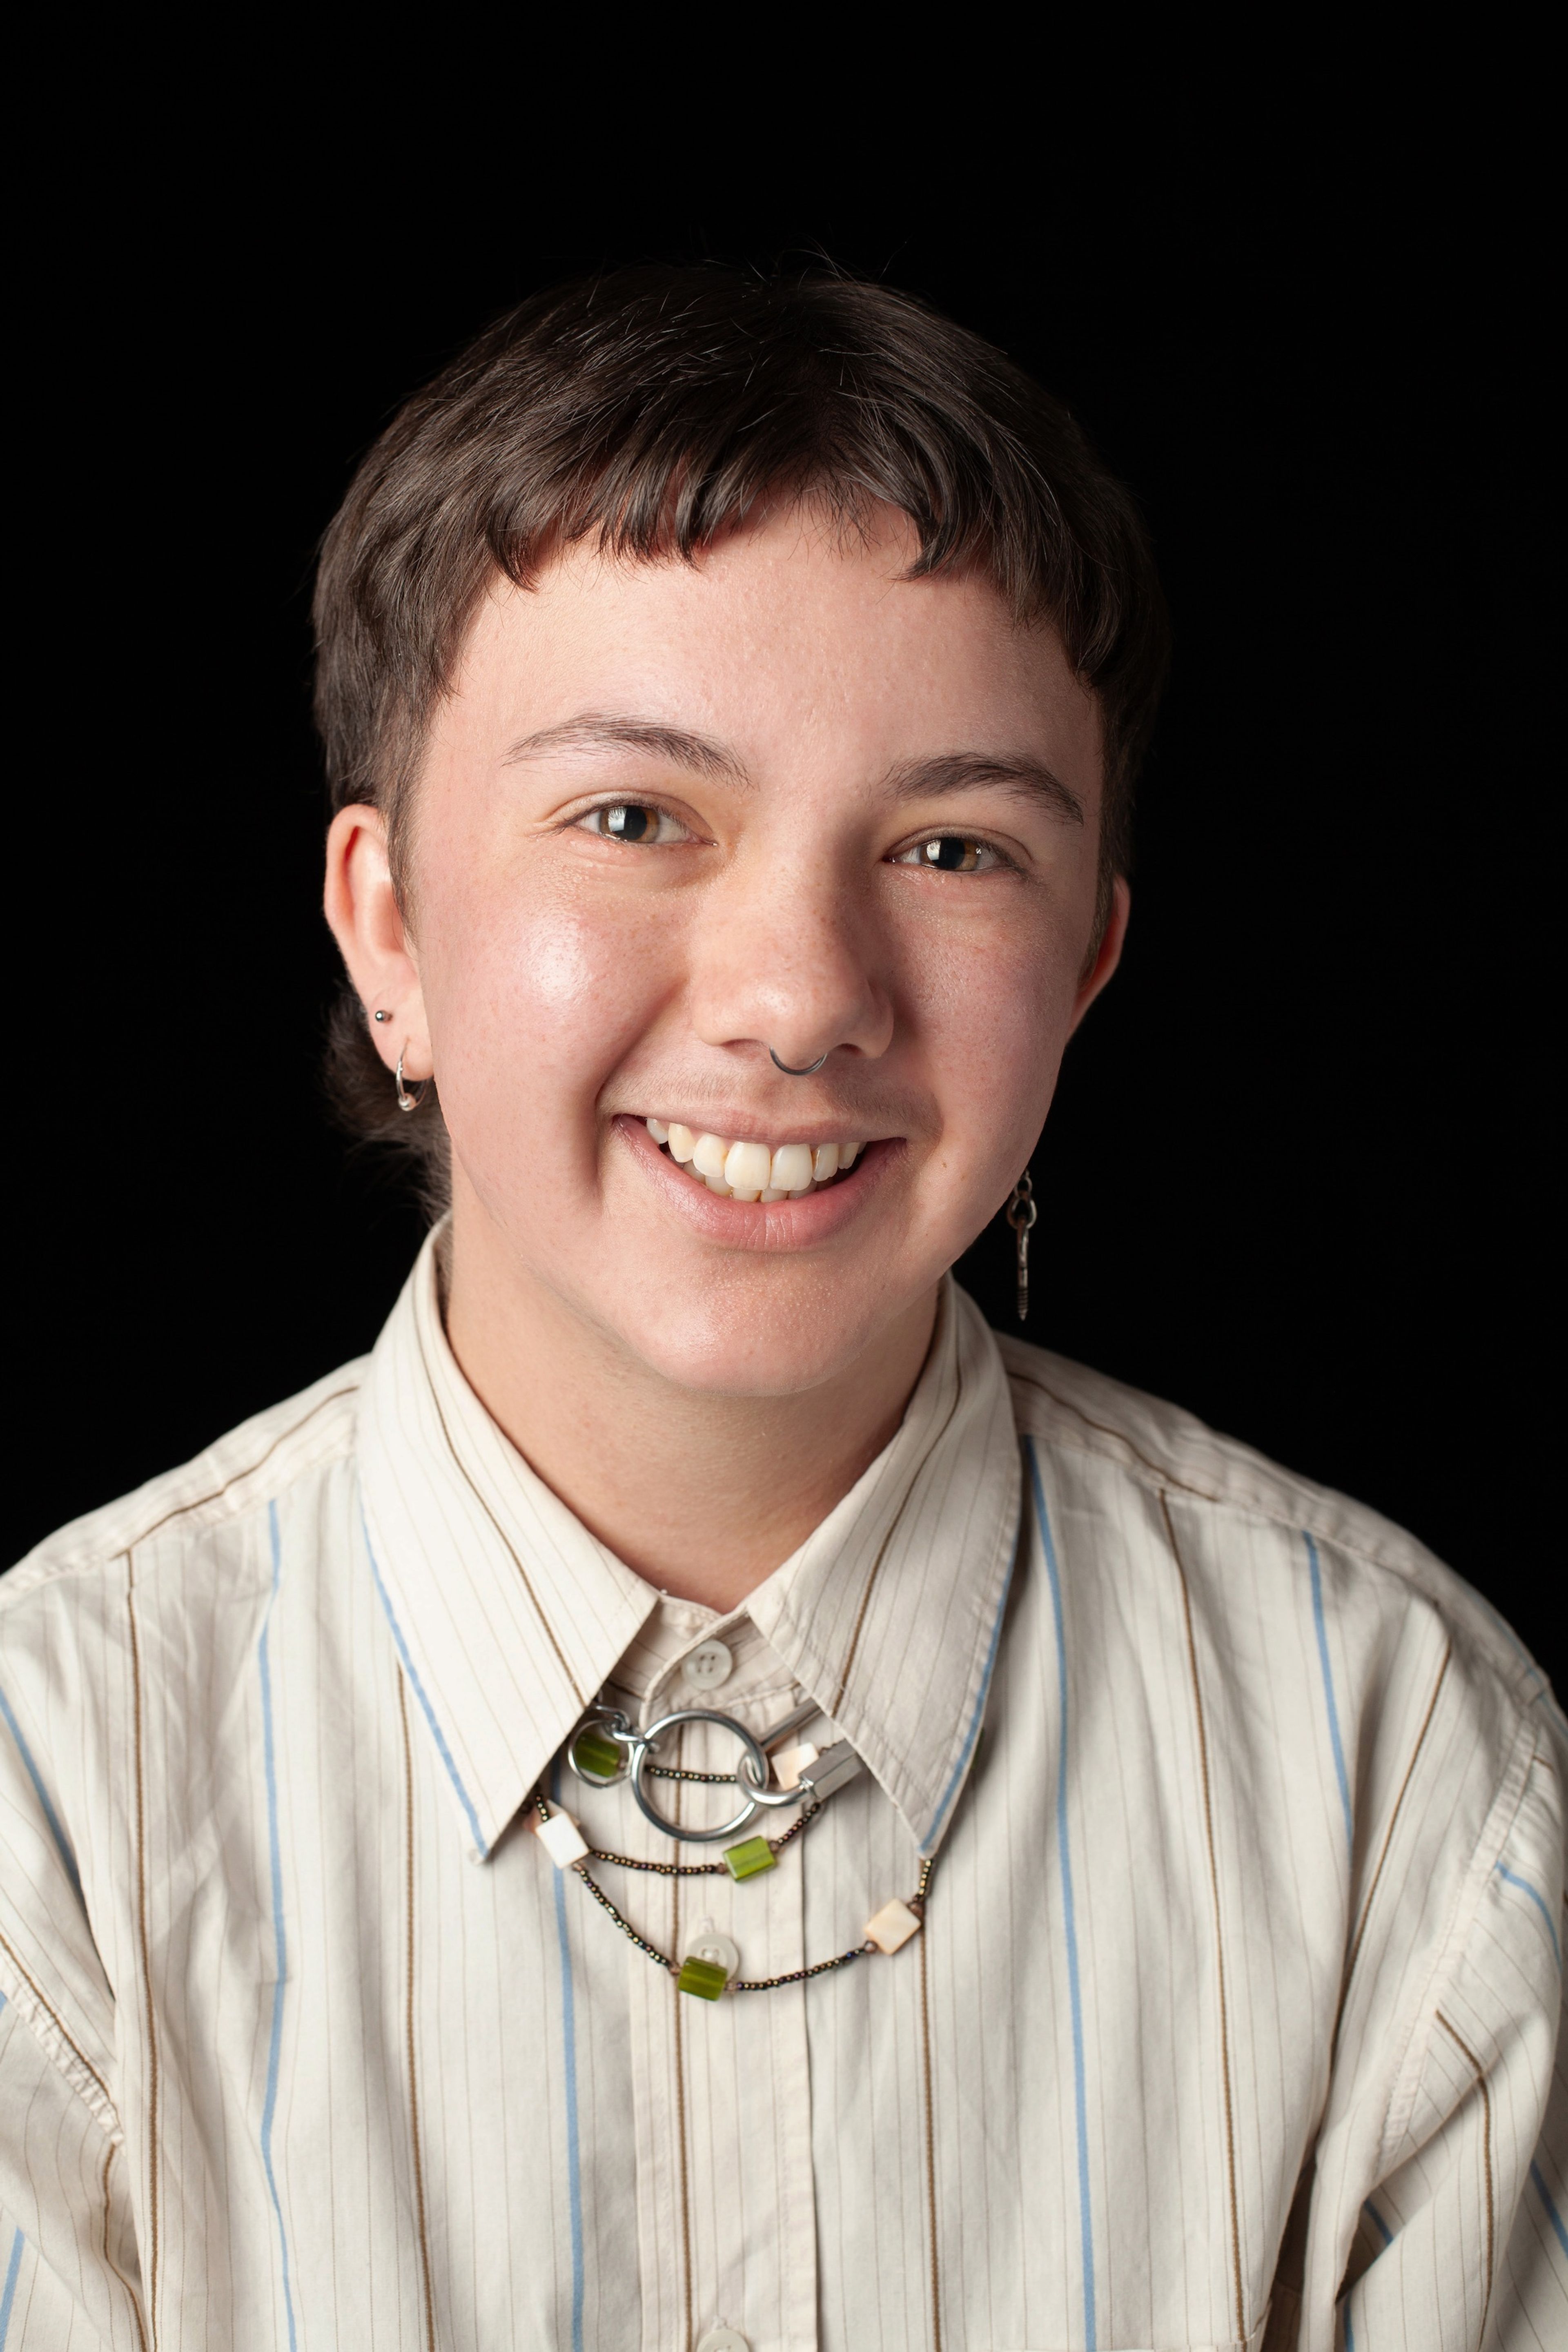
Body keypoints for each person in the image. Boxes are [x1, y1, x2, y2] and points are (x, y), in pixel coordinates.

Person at [0, 266, 1561, 2352]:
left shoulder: (1409, 1775)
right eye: (636, 816)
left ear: (1087, 970)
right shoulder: (51, 1801)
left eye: (949, 846)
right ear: (388, 931)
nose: (802, 993)